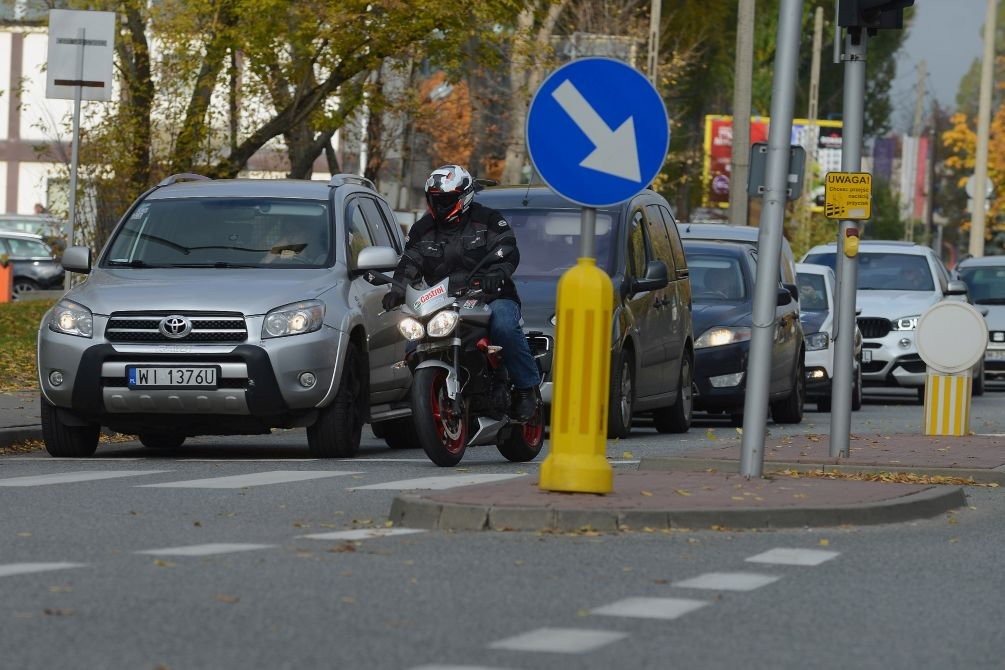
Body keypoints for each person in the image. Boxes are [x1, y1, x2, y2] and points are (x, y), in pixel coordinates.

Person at [382, 164, 540, 421]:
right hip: (441, 302)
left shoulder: (488, 220)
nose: (441, 204)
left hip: (492, 296)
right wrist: (397, 290)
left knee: (503, 326)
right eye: (436, 199)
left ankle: (525, 389)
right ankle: (430, 395)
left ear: (464, 195)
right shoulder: (422, 229)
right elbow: (409, 263)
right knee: (413, 340)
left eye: (447, 199)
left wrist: (497, 274)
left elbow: (507, 248)